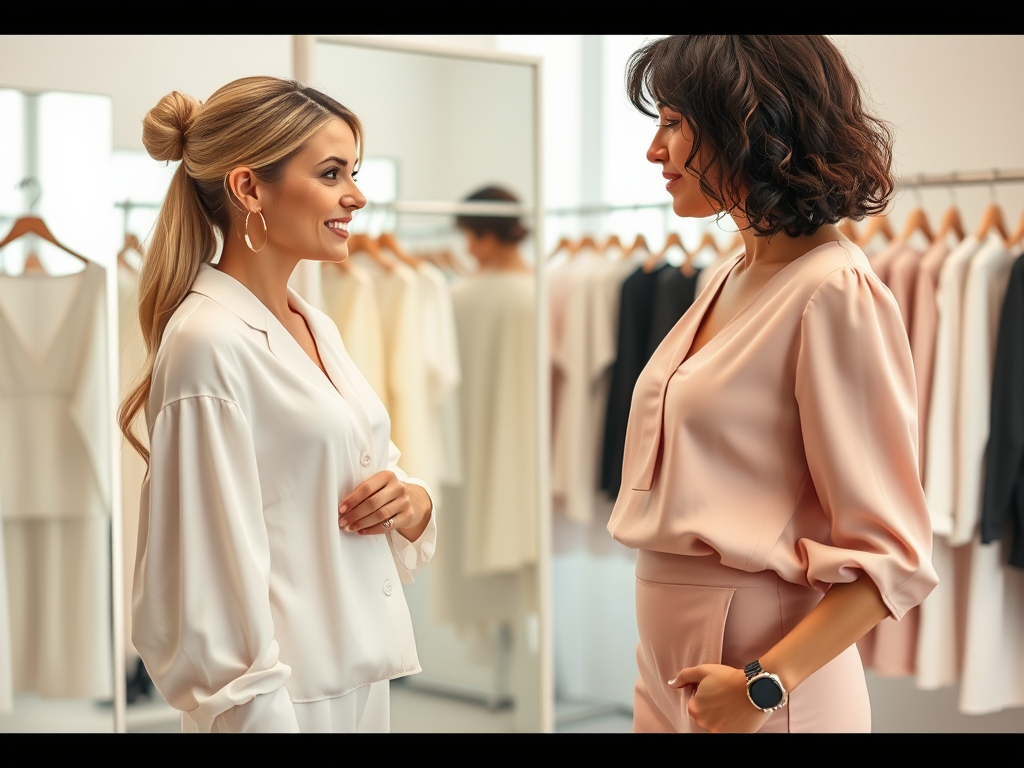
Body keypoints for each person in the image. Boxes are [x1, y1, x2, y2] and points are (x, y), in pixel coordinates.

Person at [607, 35, 939, 733]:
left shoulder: (833, 292)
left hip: (761, 684)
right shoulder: (729, 274)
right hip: (669, 666)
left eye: (671, 123)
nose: (653, 151)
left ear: (746, 123)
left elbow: (892, 553)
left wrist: (764, 685)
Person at [119, 76, 436, 733]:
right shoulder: (207, 342)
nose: (357, 194)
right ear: (248, 188)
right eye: (331, 173)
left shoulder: (312, 323)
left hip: (355, 680)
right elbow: (205, 575)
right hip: (280, 704)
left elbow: (361, 461)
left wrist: (410, 499)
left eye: (355, 170)